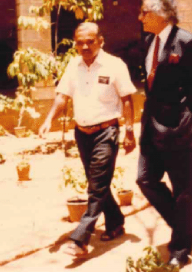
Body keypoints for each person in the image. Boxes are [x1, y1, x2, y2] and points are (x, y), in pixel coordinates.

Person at [39, 22, 137, 258]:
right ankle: (115, 222)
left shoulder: (115, 65)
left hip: (107, 131)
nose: (85, 46)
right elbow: (63, 96)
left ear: (100, 41)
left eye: (90, 41)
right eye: (80, 42)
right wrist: (49, 119)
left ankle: (80, 239)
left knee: (96, 187)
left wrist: (130, 131)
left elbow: (126, 99)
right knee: (98, 183)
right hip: (82, 133)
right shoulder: (73, 66)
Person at [135, 0, 192, 272]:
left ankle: (180, 249)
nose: (140, 17)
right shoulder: (149, 42)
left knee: (183, 190)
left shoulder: (186, 42)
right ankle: (183, 227)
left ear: (160, 14)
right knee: (145, 179)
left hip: (178, 127)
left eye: (144, 12)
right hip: (151, 126)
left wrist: (188, 117)